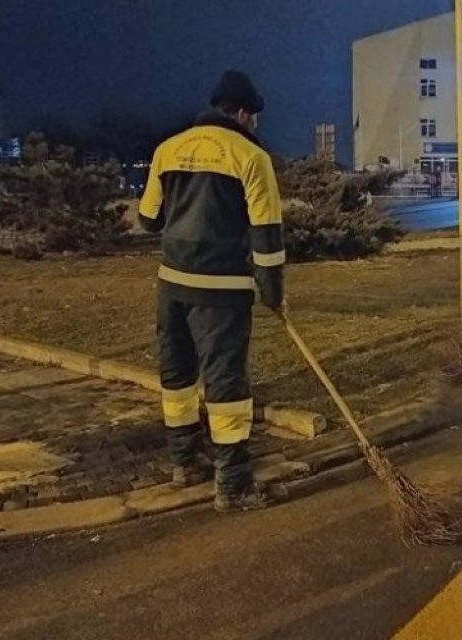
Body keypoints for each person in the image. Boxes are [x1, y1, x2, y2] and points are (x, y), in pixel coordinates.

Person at [138, 70, 286, 511]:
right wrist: (273, 292)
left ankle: (185, 463)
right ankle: (234, 486)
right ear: (241, 113)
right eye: (253, 116)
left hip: (172, 285)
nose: (255, 124)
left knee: (178, 378)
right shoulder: (251, 157)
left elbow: (149, 219)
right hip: (222, 291)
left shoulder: (168, 149)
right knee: (226, 385)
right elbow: (267, 237)